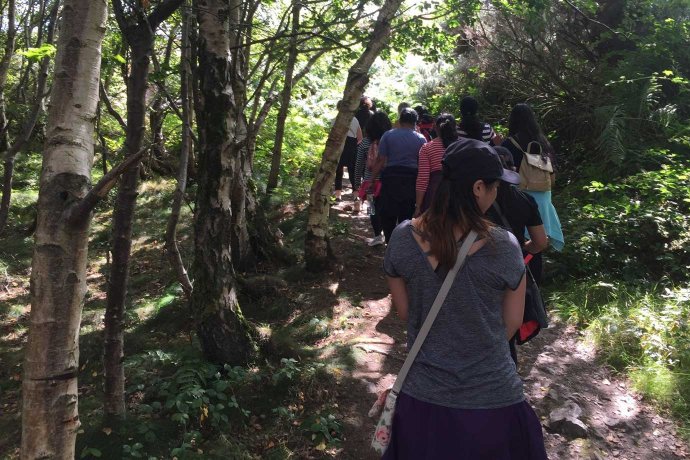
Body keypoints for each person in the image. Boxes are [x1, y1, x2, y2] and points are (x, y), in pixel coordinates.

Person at [382, 138, 548, 459]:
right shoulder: (505, 245)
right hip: (493, 397)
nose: (497, 192)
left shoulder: (403, 237)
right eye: (495, 186)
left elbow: (404, 311)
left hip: (422, 395)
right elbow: (511, 324)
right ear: (477, 188)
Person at [487, 145, 548, 365]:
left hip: (484, 269)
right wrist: (521, 250)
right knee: (509, 327)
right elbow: (541, 242)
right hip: (515, 268)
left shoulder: (477, 200)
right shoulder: (524, 200)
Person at [502, 103, 564, 283]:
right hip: (543, 198)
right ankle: (533, 279)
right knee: (537, 243)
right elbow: (552, 176)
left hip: (520, 198)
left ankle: (519, 278)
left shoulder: (509, 144)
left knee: (519, 242)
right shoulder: (542, 143)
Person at [370, 108, 426, 242]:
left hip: (390, 178)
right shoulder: (421, 139)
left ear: (400, 120)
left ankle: (389, 242)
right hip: (411, 180)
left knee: (388, 213)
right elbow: (422, 165)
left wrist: (372, 179)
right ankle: (401, 245)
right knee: (406, 215)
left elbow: (380, 160)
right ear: (415, 122)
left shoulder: (388, 135)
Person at [354, 111, 393, 246]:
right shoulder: (388, 141)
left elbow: (358, 164)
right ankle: (388, 235)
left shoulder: (364, 143)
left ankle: (377, 235)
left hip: (370, 182)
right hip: (386, 181)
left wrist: (356, 182)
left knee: (372, 208)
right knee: (385, 208)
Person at [414, 113, 458, 216]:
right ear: (455, 127)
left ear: (436, 128)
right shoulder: (463, 145)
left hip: (435, 195)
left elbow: (423, 178)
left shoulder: (427, 148)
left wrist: (418, 206)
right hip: (459, 194)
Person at [334, 103, 363, 201]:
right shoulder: (354, 120)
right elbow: (360, 138)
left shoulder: (335, 120)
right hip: (351, 146)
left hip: (338, 145)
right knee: (352, 170)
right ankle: (355, 195)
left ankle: (338, 194)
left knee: (338, 170)